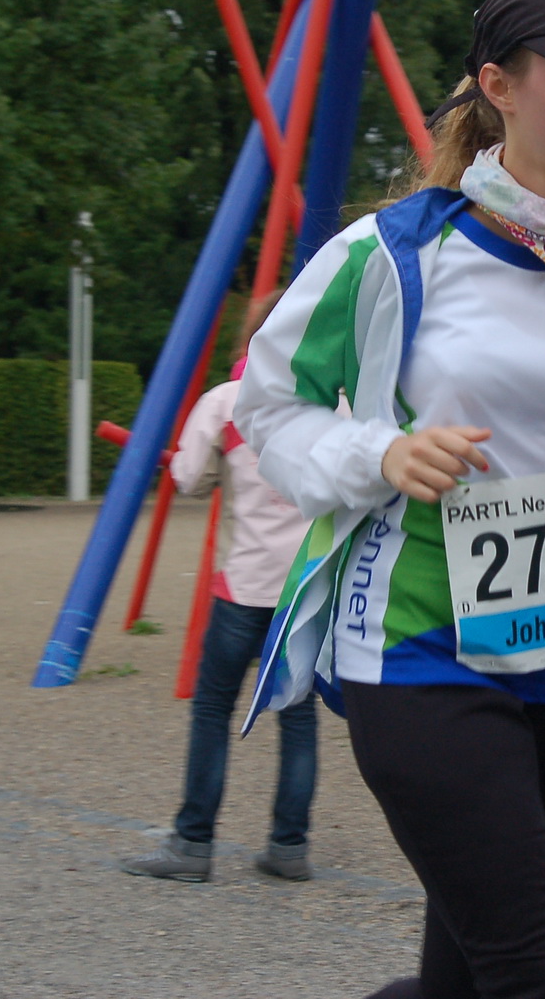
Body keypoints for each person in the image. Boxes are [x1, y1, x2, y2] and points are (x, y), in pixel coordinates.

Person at [234, 0, 545, 999]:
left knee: (470, 978)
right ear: (497, 83)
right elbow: (266, 408)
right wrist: (382, 455)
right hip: (415, 652)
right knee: (538, 965)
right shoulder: (392, 255)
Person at [121, 292, 317, 884]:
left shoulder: (226, 403)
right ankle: (289, 846)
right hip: (303, 588)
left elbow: (187, 478)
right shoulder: (332, 404)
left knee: (213, 709)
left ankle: (192, 842)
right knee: (298, 716)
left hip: (243, 584)